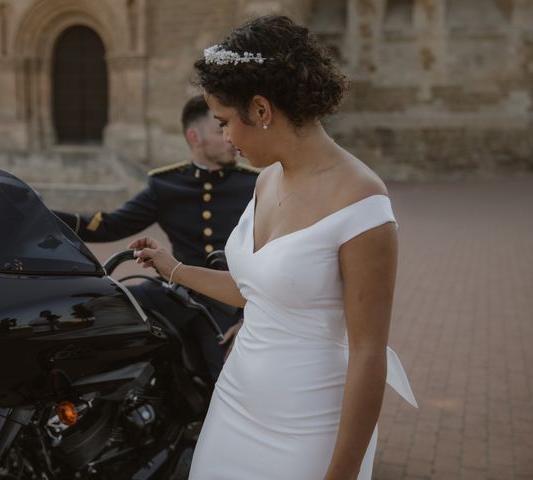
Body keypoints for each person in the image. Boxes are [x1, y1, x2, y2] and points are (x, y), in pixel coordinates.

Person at [128, 15, 417, 480]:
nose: (224, 138)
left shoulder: (362, 202)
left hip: (308, 429)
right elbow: (255, 290)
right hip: (235, 404)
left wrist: (340, 473)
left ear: (261, 110)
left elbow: (368, 353)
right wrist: (173, 268)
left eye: (225, 122)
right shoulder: (266, 180)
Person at [54, 95, 258, 380]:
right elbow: (108, 227)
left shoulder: (251, 184)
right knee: (98, 314)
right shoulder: (167, 184)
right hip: (175, 293)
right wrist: (39, 213)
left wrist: (247, 319)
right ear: (194, 137)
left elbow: (264, 260)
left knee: (226, 378)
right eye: (219, 130)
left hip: (224, 304)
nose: (229, 137)